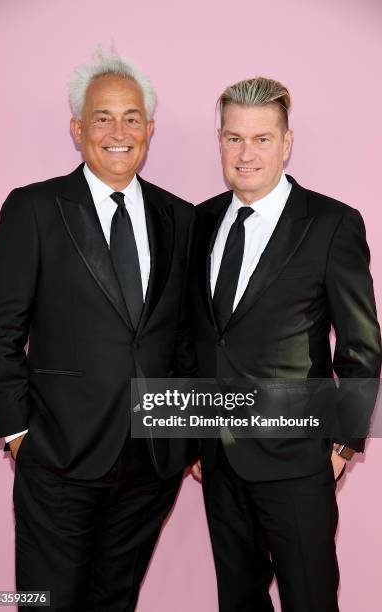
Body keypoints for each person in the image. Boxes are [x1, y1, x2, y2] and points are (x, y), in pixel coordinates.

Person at [0, 49, 195, 611]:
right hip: (58, 458)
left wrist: (188, 432)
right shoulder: (34, 209)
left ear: (149, 128)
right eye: (103, 118)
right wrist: (17, 431)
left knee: (114, 601)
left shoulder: (182, 217)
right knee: (45, 601)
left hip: (151, 461)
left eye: (131, 118)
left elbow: (190, 335)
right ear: (77, 129)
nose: (118, 132)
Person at [189, 77, 381, 611]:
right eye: (232, 138)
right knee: (240, 600)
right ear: (220, 140)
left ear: (287, 142)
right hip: (218, 461)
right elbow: (192, 337)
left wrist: (343, 444)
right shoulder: (198, 221)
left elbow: (362, 347)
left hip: (298, 461)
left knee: (311, 600)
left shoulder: (332, 224)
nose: (245, 153)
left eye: (261, 139)